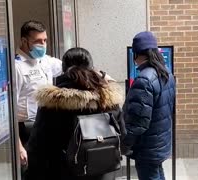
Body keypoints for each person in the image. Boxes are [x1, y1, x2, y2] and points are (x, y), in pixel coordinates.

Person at [26, 47, 124, 180]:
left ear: (63, 69)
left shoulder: (52, 102)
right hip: (102, 172)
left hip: (62, 172)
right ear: (92, 67)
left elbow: (38, 146)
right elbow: (122, 133)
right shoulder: (107, 99)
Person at [122, 31, 176, 180]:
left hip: (147, 147)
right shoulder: (167, 74)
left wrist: (125, 143)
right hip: (160, 141)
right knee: (158, 172)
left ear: (138, 54)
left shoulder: (144, 79)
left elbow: (138, 121)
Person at [15, 20, 62, 167]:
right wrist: (18, 146)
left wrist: (101, 75)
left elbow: (73, 66)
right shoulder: (16, 67)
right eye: (38, 41)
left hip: (47, 125)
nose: (43, 44)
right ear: (24, 41)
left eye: (45, 40)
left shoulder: (45, 61)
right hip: (27, 129)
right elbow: (10, 112)